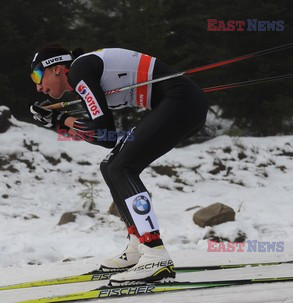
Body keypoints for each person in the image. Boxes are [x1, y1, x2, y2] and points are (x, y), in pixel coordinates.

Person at [29, 42, 208, 285]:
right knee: (110, 166)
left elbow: (105, 135)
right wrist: (60, 121)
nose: (38, 86)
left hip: (181, 100)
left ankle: (155, 253)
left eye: (37, 75)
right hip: (180, 102)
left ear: (57, 68)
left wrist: (61, 120)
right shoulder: (82, 77)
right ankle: (137, 246)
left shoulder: (79, 70)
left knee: (121, 167)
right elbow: (103, 135)